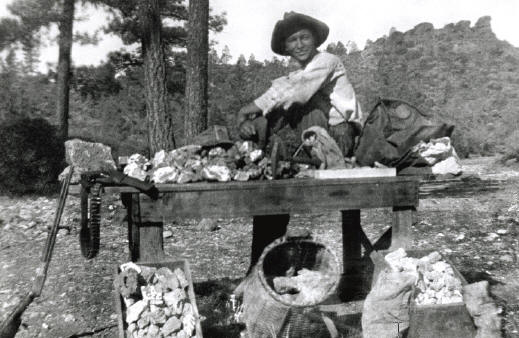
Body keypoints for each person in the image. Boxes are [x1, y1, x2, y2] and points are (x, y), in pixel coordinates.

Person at [237, 12, 364, 275]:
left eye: (304, 37)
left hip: (339, 135)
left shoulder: (327, 61)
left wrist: (251, 110)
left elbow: (297, 93)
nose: (299, 44)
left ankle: (279, 156)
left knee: (288, 111)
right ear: (285, 47)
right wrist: (248, 114)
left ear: (315, 39)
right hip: (315, 136)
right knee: (273, 194)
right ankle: (262, 266)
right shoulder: (298, 72)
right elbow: (280, 90)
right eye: (292, 40)